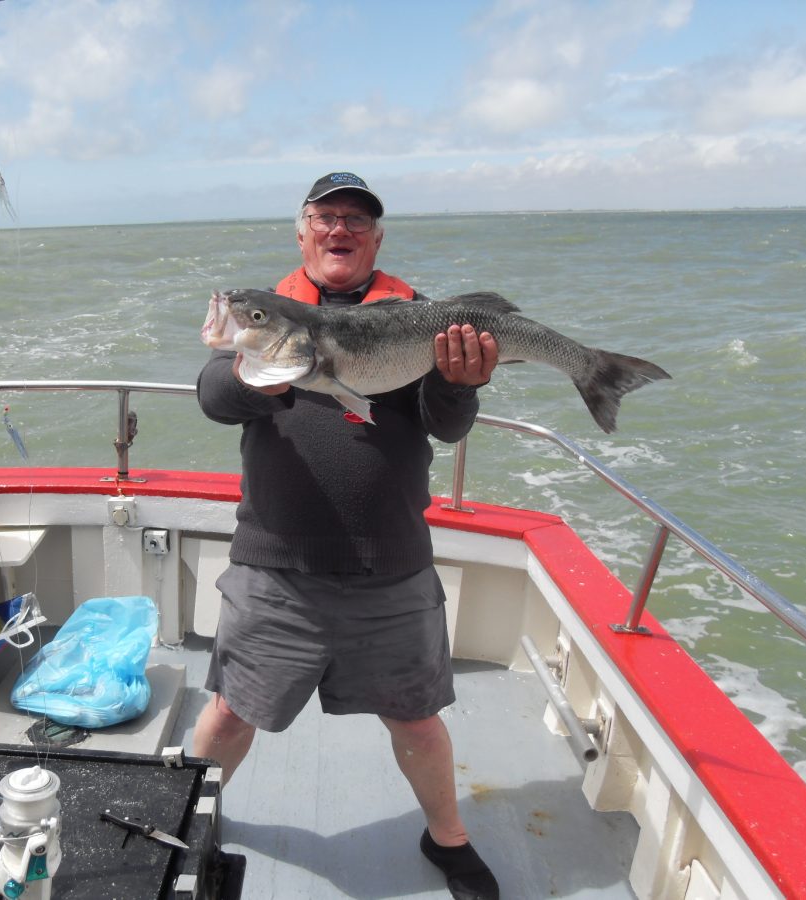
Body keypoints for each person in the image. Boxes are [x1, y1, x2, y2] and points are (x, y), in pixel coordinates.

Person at [193, 172, 502, 899]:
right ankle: (186, 817)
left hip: (390, 566)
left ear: (376, 239)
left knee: (418, 722)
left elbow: (447, 426)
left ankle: (448, 837)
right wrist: (257, 380)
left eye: (357, 220)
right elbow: (213, 394)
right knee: (231, 711)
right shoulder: (268, 315)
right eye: (326, 217)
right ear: (302, 231)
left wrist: (460, 384)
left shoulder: (418, 317)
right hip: (275, 566)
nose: (341, 229)